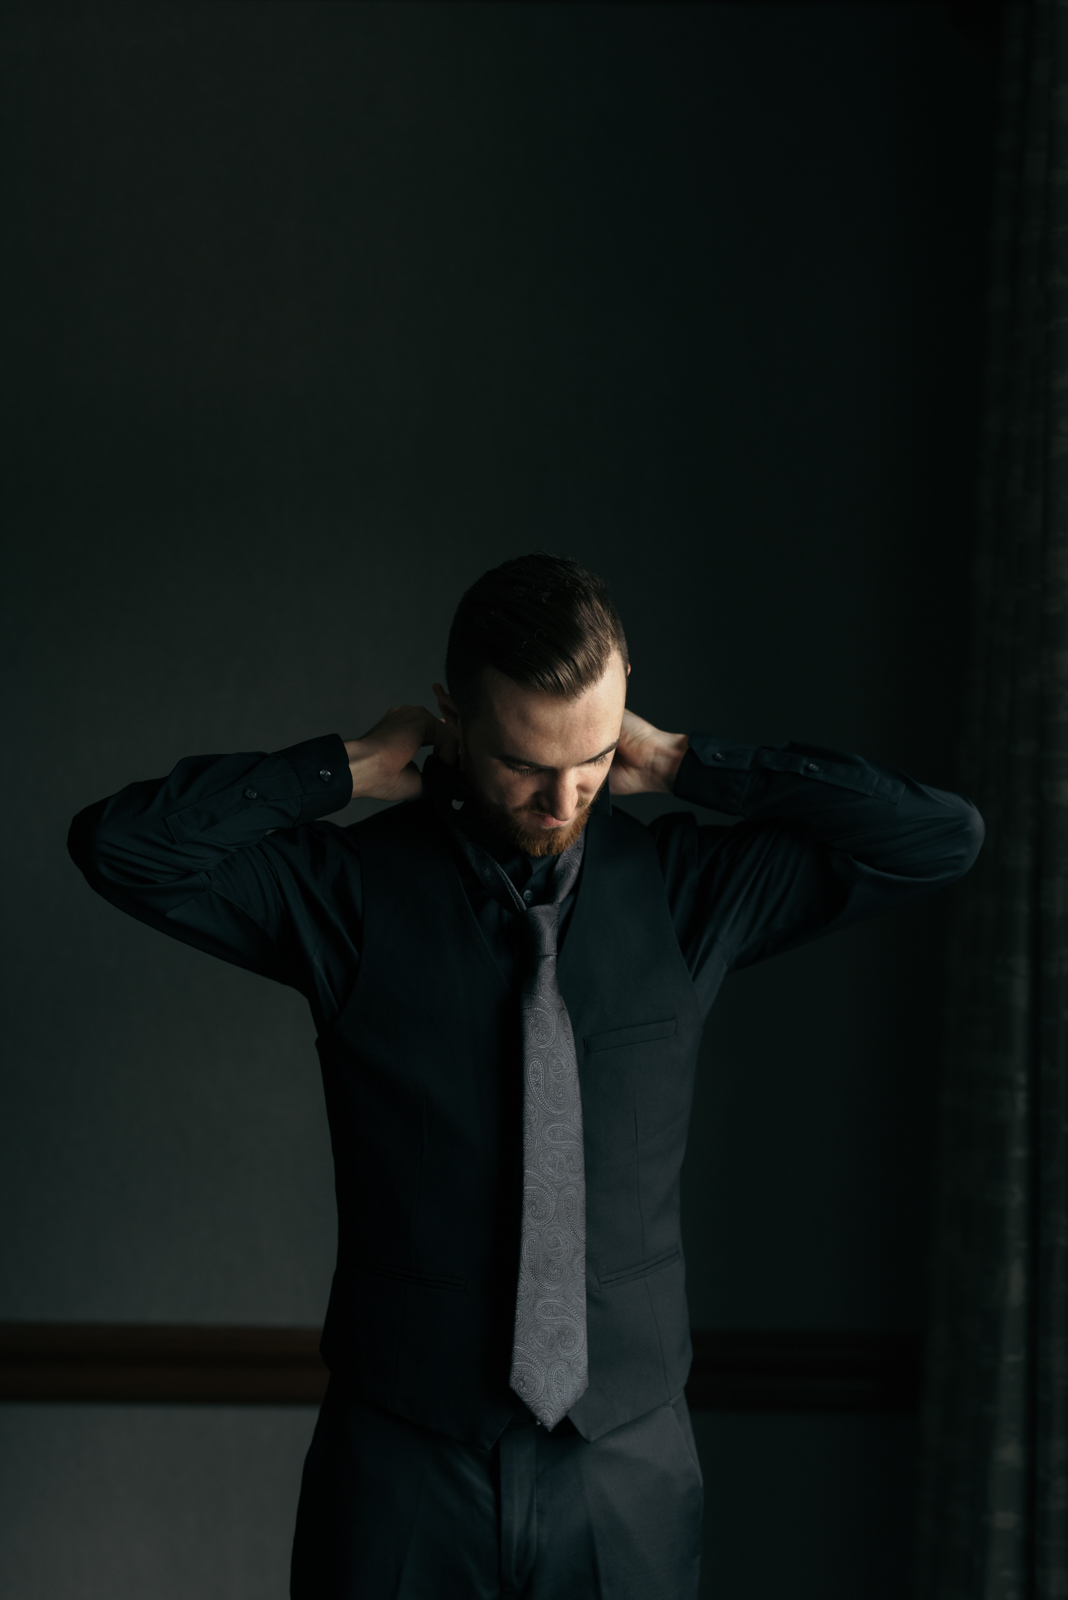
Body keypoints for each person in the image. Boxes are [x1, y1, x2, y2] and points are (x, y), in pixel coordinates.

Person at [68, 552, 983, 1599]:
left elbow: (936, 839)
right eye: (522, 762)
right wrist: (348, 766)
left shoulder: (688, 893)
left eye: (590, 758)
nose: (562, 797)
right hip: (404, 1466)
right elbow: (124, 848)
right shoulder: (351, 896)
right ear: (455, 714)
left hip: (628, 1467)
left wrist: (691, 763)